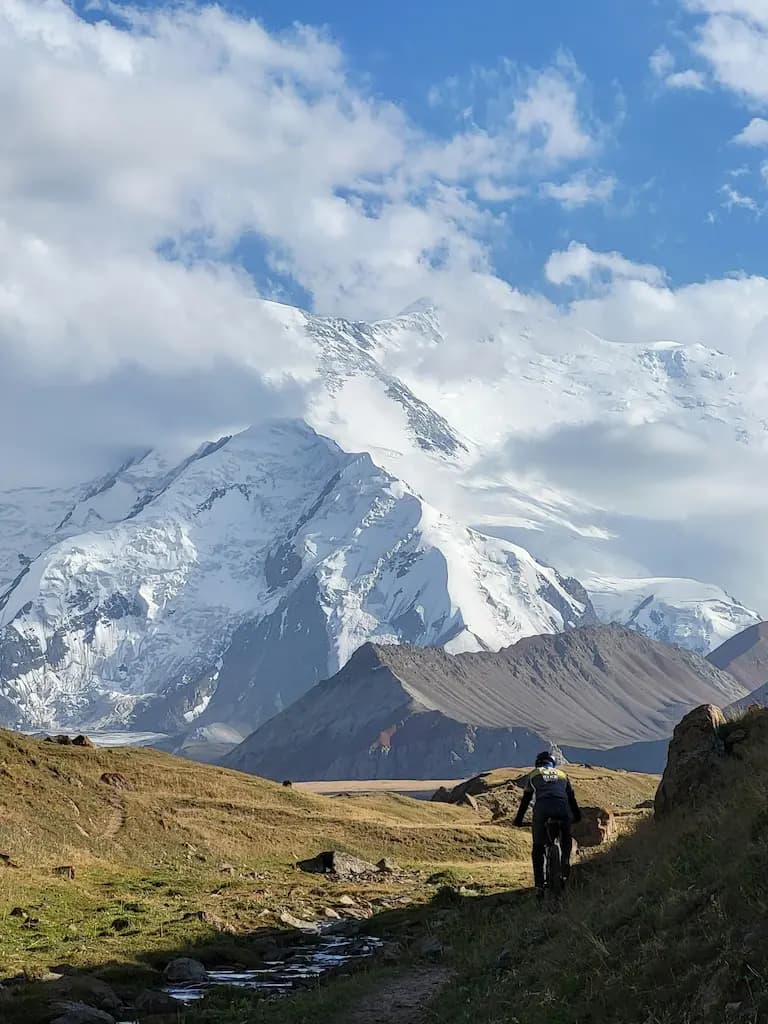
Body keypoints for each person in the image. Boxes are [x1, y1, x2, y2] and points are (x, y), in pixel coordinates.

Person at [513, 751, 581, 897]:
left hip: (543, 808)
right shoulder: (562, 774)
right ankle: (565, 862)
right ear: (553, 763)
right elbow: (571, 797)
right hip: (562, 807)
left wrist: (518, 819)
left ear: (538, 763)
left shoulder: (534, 774)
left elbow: (526, 800)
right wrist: (577, 816)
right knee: (566, 836)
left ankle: (539, 886)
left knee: (538, 847)